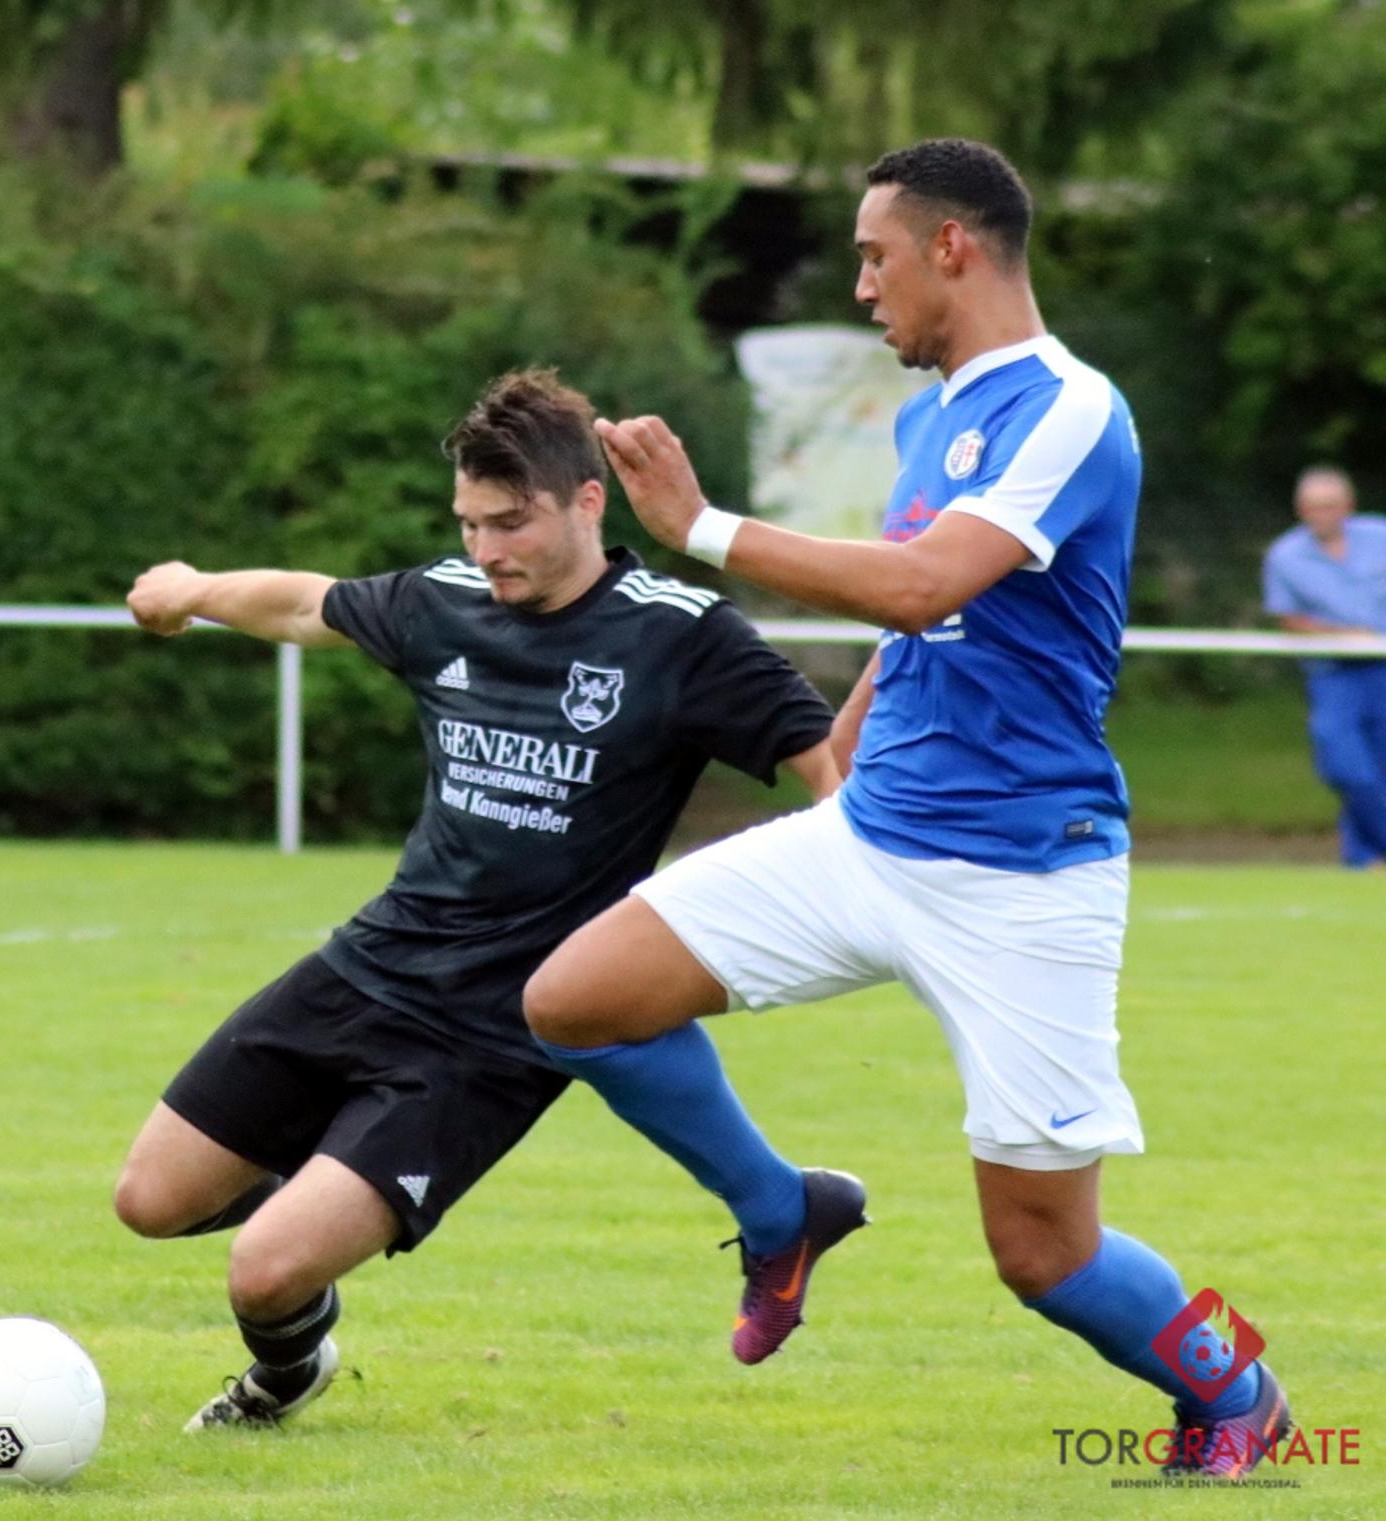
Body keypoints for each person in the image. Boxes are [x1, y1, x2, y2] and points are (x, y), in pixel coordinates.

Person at [523, 140, 1291, 1478]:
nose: (862, 286)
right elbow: (923, 612)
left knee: (1043, 1253)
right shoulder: (932, 416)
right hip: (869, 840)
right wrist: (850, 733)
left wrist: (703, 530)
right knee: (575, 999)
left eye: (875, 257)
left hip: (1021, 877)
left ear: (953, 247)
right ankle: (782, 1214)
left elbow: (928, 579)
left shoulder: (1072, 408)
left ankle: (1242, 1394)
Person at [113, 368, 839, 1431]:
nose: (484, 548)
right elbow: (309, 604)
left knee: (262, 1272)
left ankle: (284, 1362)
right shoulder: (445, 600)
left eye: (510, 522)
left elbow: (835, 772)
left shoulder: (680, 637)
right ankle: (316, 1241)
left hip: (494, 1035)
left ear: (587, 502)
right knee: (149, 1202)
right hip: (370, 963)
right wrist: (192, 586)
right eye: (469, 522)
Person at [1262, 465, 1386, 867]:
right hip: (1334, 673)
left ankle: (1362, 860)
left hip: (1382, 669)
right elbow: (1289, 619)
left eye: (1330, 506)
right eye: (1312, 508)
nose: (1321, 516)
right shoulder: (1285, 556)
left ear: (1348, 506)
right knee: (1344, 765)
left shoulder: (1379, 536)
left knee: (1380, 766)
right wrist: (1347, 635)